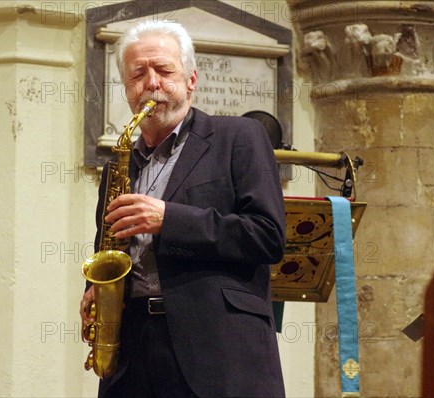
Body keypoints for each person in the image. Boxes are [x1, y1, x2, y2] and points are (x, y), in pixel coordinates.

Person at [80, 20, 286, 398]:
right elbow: (108, 250)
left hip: (219, 353)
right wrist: (96, 291)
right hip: (132, 351)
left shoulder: (239, 137)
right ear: (126, 88)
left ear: (191, 79)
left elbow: (267, 236)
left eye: (164, 70)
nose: (152, 83)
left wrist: (169, 219)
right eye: (138, 74)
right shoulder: (117, 166)